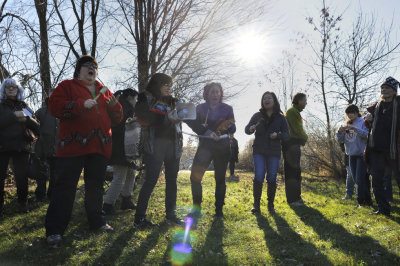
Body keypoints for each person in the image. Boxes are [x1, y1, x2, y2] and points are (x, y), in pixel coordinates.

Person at [45, 55, 123, 247]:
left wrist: (115, 106)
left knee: (95, 187)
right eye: (87, 66)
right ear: (79, 71)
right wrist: (80, 105)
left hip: (99, 146)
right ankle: (55, 231)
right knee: (65, 187)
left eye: (94, 67)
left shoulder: (103, 91)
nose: (91, 69)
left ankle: (97, 222)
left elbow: (118, 117)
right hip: (72, 146)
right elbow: (54, 107)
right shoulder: (67, 86)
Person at [133, 73, 183, 229]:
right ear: (157, 84)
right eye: (165, 84)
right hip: (154, 145)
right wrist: (168, 119)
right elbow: (145, 117)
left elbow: (186, 118)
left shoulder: (174, 102)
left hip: (173, 146)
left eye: (170, 85)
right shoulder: (145, 98)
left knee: (172, 182)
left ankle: (171, 214)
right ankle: (139, 218)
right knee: (150, 181)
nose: (169, 88)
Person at [186, 82, 236, 219]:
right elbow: (194, 125)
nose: (215, 94)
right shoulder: (200, 108)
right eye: (212, 92)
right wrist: (207, 131)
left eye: (217, 92)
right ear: (207, 93)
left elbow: (233, 128)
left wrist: (223, 130)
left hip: (222, 147)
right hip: (205, 148)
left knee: (220, 179)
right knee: (195, 177)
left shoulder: (227, 108)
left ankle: (219, 211)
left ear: (221, 94)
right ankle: (196, 208)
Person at [0, 78, 40, 216]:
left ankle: (23, 204)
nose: (11, 89)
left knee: (22, 178)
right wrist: (14, 116)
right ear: (4, 90)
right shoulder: (1, 106)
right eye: (8, 87)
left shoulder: (24, 106)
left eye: (14, 87)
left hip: (21, 146)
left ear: (18, 90)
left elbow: (37, 126)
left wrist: (27, 119)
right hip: (2, 147)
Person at [245, 91, 289, 214]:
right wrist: (250, 128)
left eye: (269, 98)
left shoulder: (281, 118)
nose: (266, 100)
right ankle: (256, 205)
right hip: (259, 149)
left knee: (272, 177)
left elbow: (287, 135)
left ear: (274, 101)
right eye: (264, 98)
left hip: (274, 152)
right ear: (262, 102)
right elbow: (246, 129)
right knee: (259, 175)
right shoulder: (257, 116)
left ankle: (270, 205)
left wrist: (278, 135)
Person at [364, 76, 400, 217]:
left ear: (394, 91)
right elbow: (370, 126)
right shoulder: (376, 106)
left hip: (394, 151)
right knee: (376, 181)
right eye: (382, 88)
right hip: (376, 150)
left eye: (387, 88)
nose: (384, 90)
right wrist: (368, 120)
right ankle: (383, 208)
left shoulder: (399, 104)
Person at [103, 88, 138, 214]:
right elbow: (119, 128)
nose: (136, 101)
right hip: (122, 149)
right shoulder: (123, 108)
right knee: (120, 177)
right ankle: (107, 205)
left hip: (127, 148)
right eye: (136, 98)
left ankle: (126, 200)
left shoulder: (126, 107)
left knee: (131, 174)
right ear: (130, 97)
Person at [336, 104, 371, 206]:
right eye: (348, 113)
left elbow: (367, 135)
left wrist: (355, 129)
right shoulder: (346, 124)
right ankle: (367, 201)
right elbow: (340, 140)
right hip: (351, 154)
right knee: (357, 179)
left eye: (352, 113)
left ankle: (361, 201)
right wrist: (339, 132)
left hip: (361, 154)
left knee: (360, 178)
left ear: (357, 112)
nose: (350, 115)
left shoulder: (363, 122)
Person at [283, 92, 308, 206]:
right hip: (291, 145)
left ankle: (296, 198)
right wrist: (305, 137)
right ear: (298, 100)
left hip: (293, 145)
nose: (306, 103)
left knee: (296, 172)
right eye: (304, 100)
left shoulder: (295, 111)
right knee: (292, 172)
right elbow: (298, 130)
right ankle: (293, 200)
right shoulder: (292, 112)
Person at [34, 88, 58, 200]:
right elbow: (32, 123)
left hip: (58, 149)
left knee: (55, 174)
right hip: (42, 148)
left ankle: (52, 194)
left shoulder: (63, 111)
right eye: (51, 94)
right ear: (48, 96)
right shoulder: (41, 111)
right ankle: (40, 195)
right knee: (41, 173)